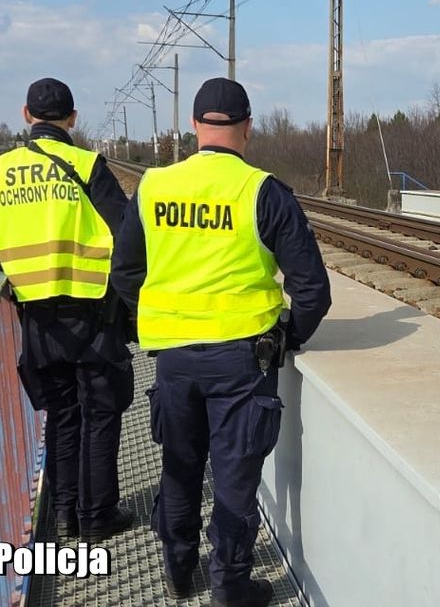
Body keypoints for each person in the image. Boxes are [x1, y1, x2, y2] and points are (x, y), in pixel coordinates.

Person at [110, 77, 332, 606]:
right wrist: (287, 336)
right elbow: (312, 291)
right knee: (235, 478)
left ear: (193, 126)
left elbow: (124, 274)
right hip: (243, 360)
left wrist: (160, 321)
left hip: (175, 360)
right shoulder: (262, 191)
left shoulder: (153, 187)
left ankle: (178, 569)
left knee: (181, 467)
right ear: (247, 128)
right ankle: (230, 587)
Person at [0, 78, 136, 542]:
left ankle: (66, 513)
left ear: (27, 115)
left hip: (37, 319)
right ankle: (97, 516)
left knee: (64, 416)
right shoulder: (86, 164)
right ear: (72, 118)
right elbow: (126, 236)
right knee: (100, 413)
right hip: (91, 313)